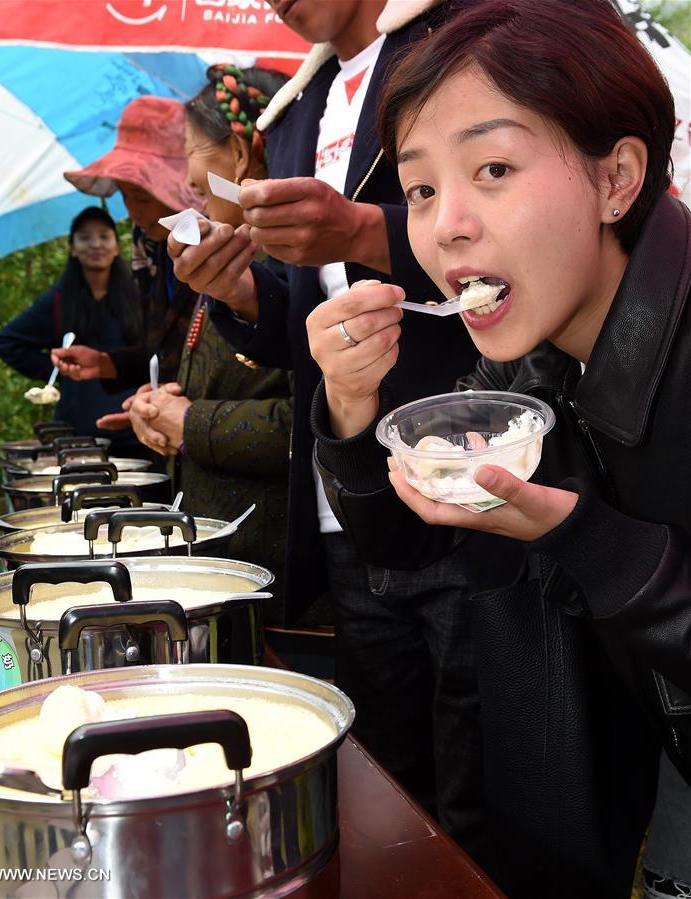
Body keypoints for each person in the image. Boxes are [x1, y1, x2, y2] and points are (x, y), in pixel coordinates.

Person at [304, 1, 691, 896]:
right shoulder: (531, 370)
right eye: (423, 188)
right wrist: (352, 404)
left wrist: (580, 537)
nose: (445, 227)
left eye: (493, 167)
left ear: (617, 178)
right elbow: (408, 546)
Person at [167, 0, 515, 865]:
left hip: (463, 480)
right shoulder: (298, 108)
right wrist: (241, 290)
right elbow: (301, 314)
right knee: (378, 784)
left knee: (489, 795)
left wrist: (362, 228)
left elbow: (517, 227)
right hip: (343, 500)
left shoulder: (464, 42)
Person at [125, 65, 294, 617]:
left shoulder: (297, 267)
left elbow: (310, 426)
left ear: (240, 154)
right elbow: (224, 385)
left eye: (195, 157)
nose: (192, 190)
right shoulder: (230, 255)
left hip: (278, 577)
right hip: (225, 560)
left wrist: (188, 421)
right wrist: (164, 404)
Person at [56, 96, 205, 394]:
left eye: (142, 197)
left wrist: (188, 419)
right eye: (125, 196)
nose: (133, 212)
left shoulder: (215, 247)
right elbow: (161, 348)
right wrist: (105, 363)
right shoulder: (149, 249)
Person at [0, 206, 142, 454]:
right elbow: (7, 342)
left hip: (136, 429)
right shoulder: (59, 300)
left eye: (104, 236)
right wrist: (60, 372)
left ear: (117, 246)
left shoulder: (139, 295)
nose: (96, 244)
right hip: (78, 433)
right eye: (85, 237)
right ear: (72, 247)